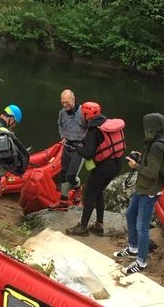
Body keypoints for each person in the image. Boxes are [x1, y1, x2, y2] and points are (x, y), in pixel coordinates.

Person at [113, 113, 164, 275]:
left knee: (142, 226)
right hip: (143, 188)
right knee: (130, 214)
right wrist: (141, 157)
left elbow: (152, 173)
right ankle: (132, 248)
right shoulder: (162, 140)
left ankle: (141, 260)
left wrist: (135, 166)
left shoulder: (158, 146)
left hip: (150, 190)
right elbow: (154, 165)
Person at [65, 101, 123, 237]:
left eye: (82, 114)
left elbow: (89, 153)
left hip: (104, 168)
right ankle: (99, 225)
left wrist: (78, 148)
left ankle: (83, 228)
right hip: (116, 164)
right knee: (98, 192)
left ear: (86, 114)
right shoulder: (106, 123)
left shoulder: (93, 130)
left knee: (89, 194)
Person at [49, 89, 87, 211]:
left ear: (73, 99)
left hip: (79, 149)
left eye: (67, 102)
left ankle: (78, 191)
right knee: (64, 175)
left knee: (71, 176)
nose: (65, 105)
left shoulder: (83, 112)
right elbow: (60, 124)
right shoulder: (62, 113)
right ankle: (63, 202)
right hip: (67, 146)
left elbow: (91, 129)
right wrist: (63, 136)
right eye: (62, 102)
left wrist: (86, 143)